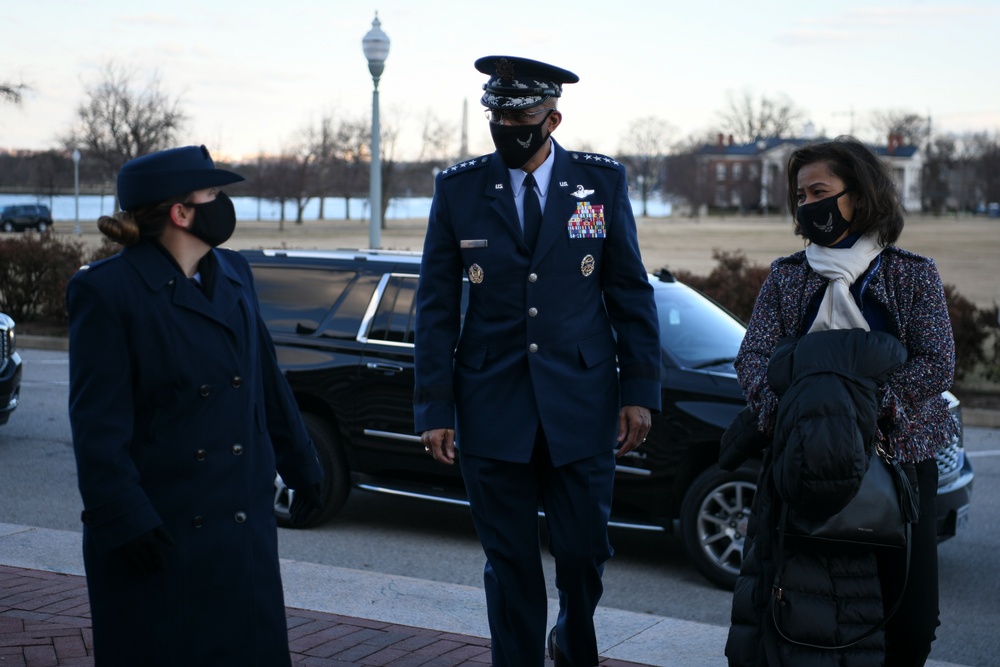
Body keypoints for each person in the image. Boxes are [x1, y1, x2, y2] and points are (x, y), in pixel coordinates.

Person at [413, 56, 661, 667]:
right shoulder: (460, 187)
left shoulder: (599, 183)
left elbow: (628, 290)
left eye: (520, 114)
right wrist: (434, 405)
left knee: (582, 553)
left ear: (552, 118)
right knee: (510, 560)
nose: (507, 125)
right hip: (491, 403)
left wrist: (641, 390)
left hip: (580, 401)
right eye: (497, 113)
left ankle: (573, 640)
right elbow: (437, 304)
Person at [66, 145, 324, 666]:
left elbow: (266, 383)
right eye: (213, 194)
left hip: (241, 537)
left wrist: (305, 467)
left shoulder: (234, 273)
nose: (223, 204)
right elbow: (97, 432)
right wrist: (127, 522)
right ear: (181, 213)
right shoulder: (108, 293)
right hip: (163, 535)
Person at [724, 137, 958, 666]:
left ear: (860, 194)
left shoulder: (910, 273)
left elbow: (937, 362)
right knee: (802, 613)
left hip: (897, 462)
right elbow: (753, 358)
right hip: (801, 462)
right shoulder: (787, 277)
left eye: (820, 191)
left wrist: (866, 411)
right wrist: (795, 413)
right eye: (801, 195)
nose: (808, 205)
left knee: (912, 617)